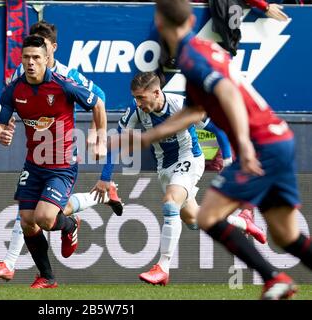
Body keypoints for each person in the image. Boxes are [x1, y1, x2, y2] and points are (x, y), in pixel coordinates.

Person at [117, 0, 311, 299]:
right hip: (279, 138)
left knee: (206, 217)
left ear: (159, 22)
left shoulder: (191, 54)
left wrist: (243, 144)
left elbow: (227, 91)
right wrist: (147, 137)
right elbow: (195, 112)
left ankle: (273, 278)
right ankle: (275, 278)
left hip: (261, 145)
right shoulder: (201, 50)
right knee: (286, 235)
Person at [0, 21, 123, 282]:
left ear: (48, 55)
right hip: (33, 161)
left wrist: (99, 135)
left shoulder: (65, 82)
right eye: (26, 57)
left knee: (45, 218)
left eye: (36, 57)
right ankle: (46, 277)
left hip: (61, 162)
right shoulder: (15, 87)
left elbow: (98, 100)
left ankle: (69, 225)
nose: (31, 62)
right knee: (26, 220)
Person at [93, 71, 265, 286]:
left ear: (157, 93)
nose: (137, 102)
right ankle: (244, 222)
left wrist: (228, 162)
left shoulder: (180, 105)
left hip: (190, 159)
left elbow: (218, 129)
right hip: (164, 168)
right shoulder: (136, 111)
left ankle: (163, 267)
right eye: (135, 97)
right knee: (194, 219)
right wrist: (105, 177)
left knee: (170, 202)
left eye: (141, 97)